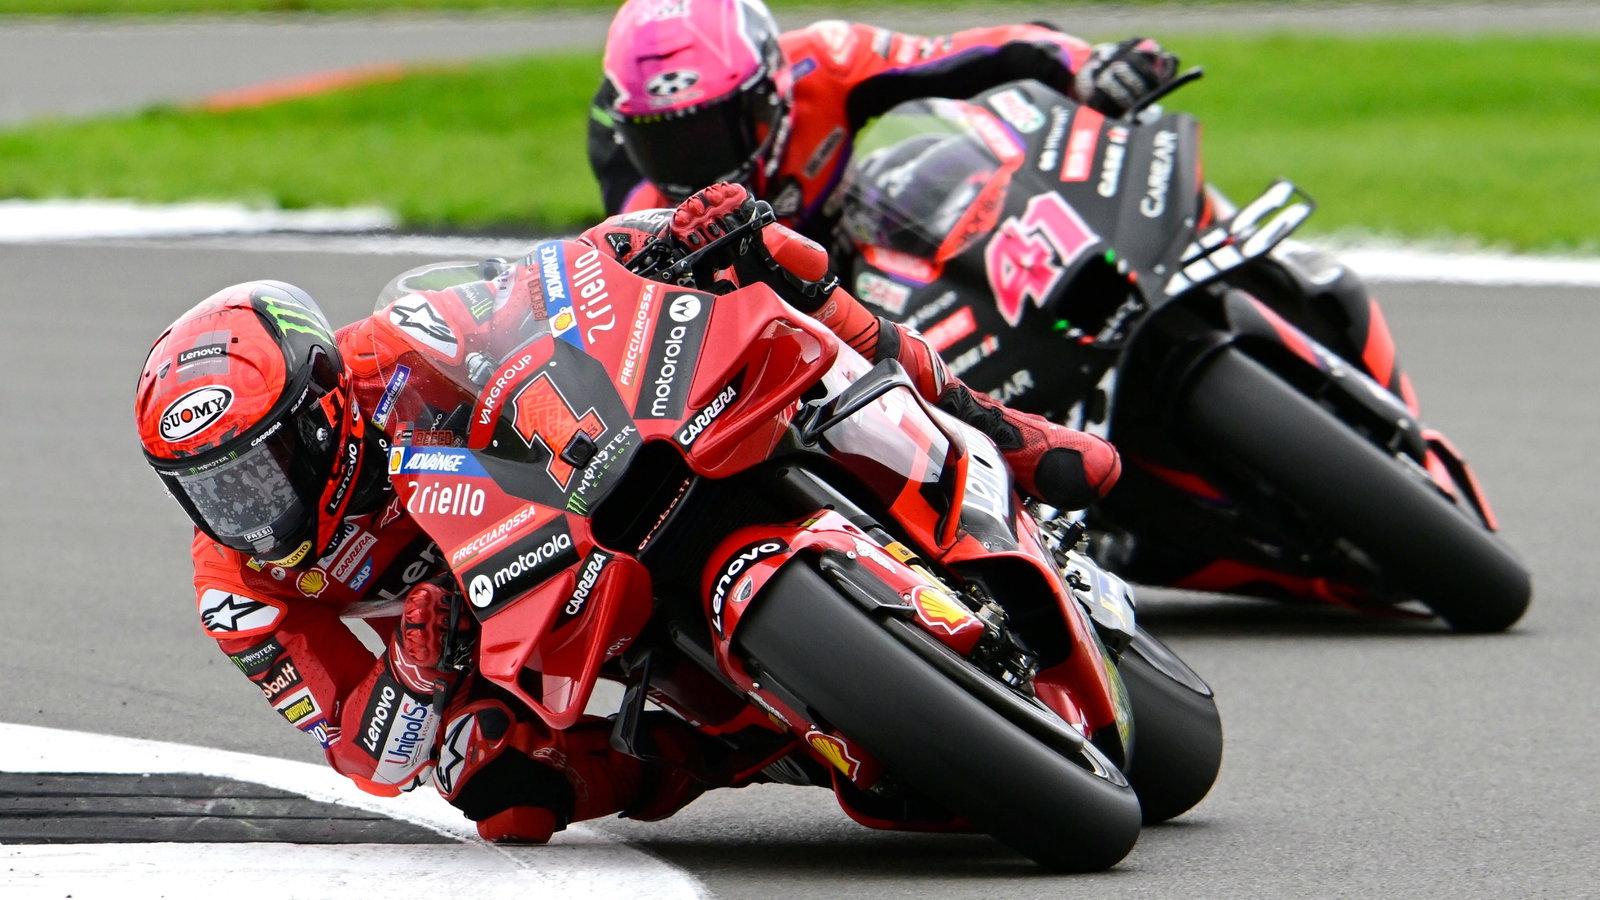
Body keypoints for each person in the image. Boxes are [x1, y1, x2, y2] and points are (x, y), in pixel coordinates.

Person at [132, 182, 1121, 844]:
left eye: (259, 467)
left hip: (579, 478)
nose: (248, 508)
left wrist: (663, 238)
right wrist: (417, 668)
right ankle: (717, 751)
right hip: (508, 623)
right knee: (492, 791)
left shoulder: (386, 349)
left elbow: (545, 283)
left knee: (773, 258)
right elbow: (363, 750)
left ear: (321, 404)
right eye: (215, 488)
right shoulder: (238, 587)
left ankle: (1001, 430)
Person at [588, 0, 1177, 242]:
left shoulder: (830, 58)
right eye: (662, 142)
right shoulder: (637, 204)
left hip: (851, 247)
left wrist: (1088, 67)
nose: (692, 163)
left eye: (709, 130)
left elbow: (980, 52)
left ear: (771, 89)